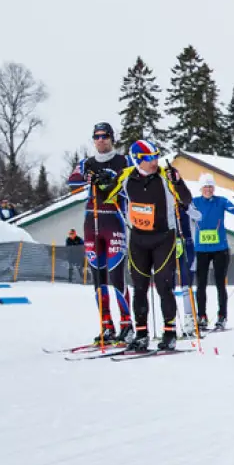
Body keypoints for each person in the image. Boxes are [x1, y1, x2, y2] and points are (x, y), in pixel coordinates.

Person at [118, 139, 193, 351]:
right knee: (139, 287)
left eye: (156, 157)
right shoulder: (126, 177)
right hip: (138, 239)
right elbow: (107, 192)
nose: (154, 162)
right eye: (149, 158)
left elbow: (186, 199)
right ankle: (141, 333)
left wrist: (178, 182)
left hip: (164, 237)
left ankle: (169, 333)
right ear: (137, 160)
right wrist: (102, 180)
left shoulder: (164, 176)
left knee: (163, 284)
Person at [69, 121, 131, 343]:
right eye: (96, 137)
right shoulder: (87, 163)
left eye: (104, 136)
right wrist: (90, 178)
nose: (100, 140)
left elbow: (132, 179)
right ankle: (106, 326)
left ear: (112, 138)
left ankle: (127, 324)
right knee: (98, 277)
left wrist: (110, 179)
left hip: (113, 220)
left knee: (116, 275)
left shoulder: (123, 161)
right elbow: (72, 181)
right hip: (91, 221)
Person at [187, 174, 234, 331]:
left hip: (220, 249)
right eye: (205, 187)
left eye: (210, 187)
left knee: (219, 284)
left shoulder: (221, 201)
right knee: (201, 284)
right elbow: (184, 210)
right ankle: (202, 316)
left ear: (214, 188)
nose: (208, 190)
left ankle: (222, 316)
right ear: (201, 188)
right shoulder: (195, 202)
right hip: (201, 250)